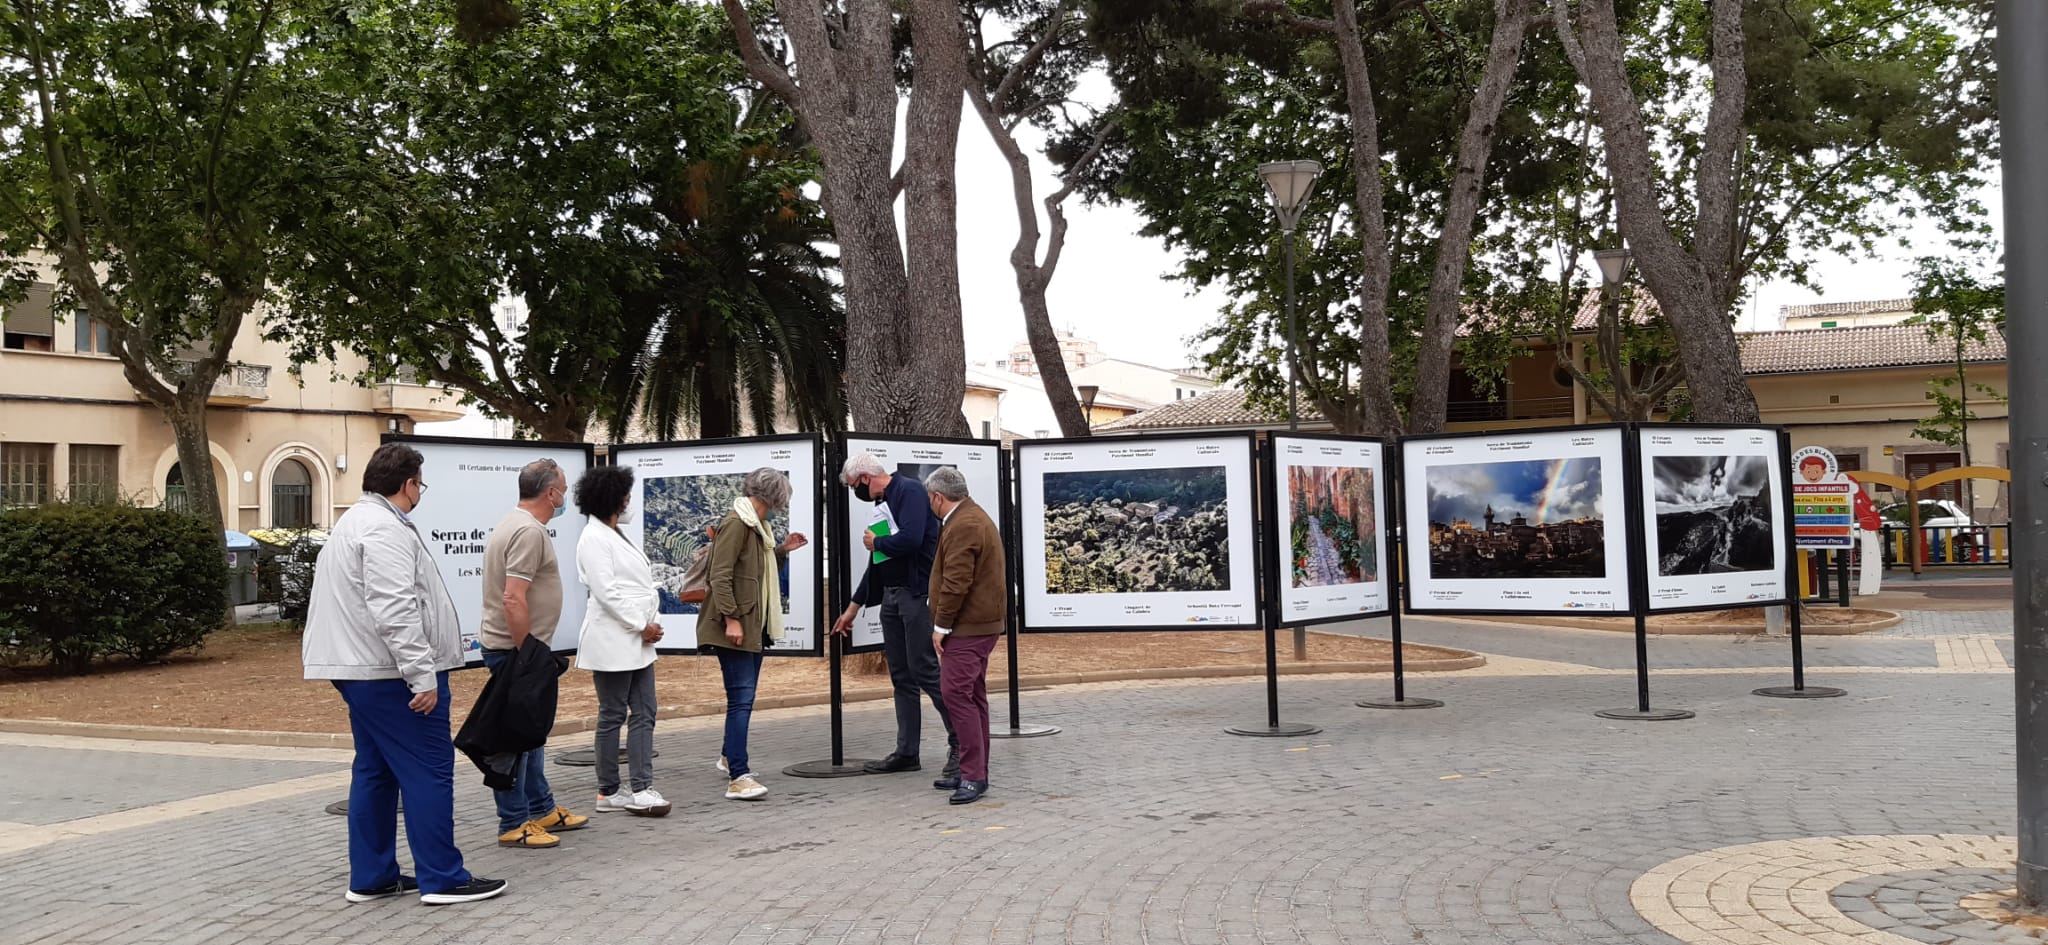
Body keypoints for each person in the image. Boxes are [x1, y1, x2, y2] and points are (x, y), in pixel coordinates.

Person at [302, 443, 506, 905]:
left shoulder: (356, 521)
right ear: (409, 484)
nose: (421, 492)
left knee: (375, 771)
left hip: (364, 671)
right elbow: (395, 607)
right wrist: (422, 675)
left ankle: (372, 876)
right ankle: (443, 877)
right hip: (390, 673)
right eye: (421, 484)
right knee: (429, 771)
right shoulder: (384, 529)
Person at [478, 458, 589, 848]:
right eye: (564, 487)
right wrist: (527, 655)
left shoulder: (521, 525)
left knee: (532, 735)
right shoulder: (527, 532)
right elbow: (513, 598)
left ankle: (541, 807)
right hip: (516, 652)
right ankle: (512, 822)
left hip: (523, 651)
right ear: (551, 493)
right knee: (515, 741)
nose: (566, 495)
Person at [829, 454, 958, 778]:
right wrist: (852, 608)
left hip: (915, 595)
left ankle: (962, 743)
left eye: (853, 486)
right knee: (901, 676)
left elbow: (912, 539)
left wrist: (878, 541)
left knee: (925, 670)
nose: (855, 493)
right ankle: (906, 752)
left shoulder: (910, 491)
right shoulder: (883, 503)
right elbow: (878, 563)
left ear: (864, 477)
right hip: (891, 597)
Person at [701, 467, 808, 801]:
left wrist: (782, 551)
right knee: (741, 700)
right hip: (736, 627)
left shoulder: (758, 526)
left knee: (742, 698)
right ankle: (738, 775)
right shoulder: (737, 523)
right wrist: (732, 618)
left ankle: (729, 756)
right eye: (783, 497)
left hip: (753, 626)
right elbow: (720, 575)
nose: (784, 504)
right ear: (772, 496)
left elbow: (754, 569)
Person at [572, 465, 669, 818]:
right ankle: (612, 790)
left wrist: (646, 625)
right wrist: (640, 624)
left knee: (645, 712)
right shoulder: (593, 538)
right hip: (615, 639)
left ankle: (641, 786)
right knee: (613, 714)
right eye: (626, 496)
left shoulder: (616, 533)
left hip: (638, 640)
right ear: (612, 499)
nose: (630, 502)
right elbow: (607, 592)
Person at [923, 467, 1006, 805]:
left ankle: (973, 776)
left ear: (937, 497)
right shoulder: (969, 517)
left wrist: (941, 626)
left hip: (967, 627)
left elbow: (957, 582)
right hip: (976, 624)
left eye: (930, 499)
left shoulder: (964, 524)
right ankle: (973, 771)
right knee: (971, 695)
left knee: (955, 694)